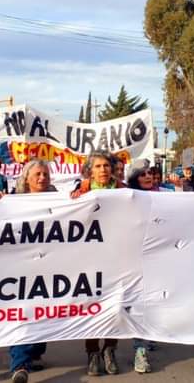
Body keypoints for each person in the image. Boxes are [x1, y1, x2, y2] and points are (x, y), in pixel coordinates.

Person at [0, 160, 55, 382]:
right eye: (37, 174)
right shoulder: (13, 201)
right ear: (26, 179)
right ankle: (19, 364)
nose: (42, 178)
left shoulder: (60, 200)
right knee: (20, 314)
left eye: (45, 174)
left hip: (49, 266)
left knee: (43, 313)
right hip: (20, 267)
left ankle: (35, 353)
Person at [70, 151, 123, 375]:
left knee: (114, 306)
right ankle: (92, 353)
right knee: (90, 305)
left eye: (106, 166)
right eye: (98, 166)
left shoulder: (123, 190)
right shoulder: (80, 191)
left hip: (117, 256)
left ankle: (110, 350)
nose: (103, 170)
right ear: (90, 170)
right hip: (89, 258)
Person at [125, 159, 157, 373]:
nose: (147, 176)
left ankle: (142, 347)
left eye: (150, 173)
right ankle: (137, 349)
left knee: (145, 306)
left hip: (154, 260)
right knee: (131, 306)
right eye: (142, 173)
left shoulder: (162, 195)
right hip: (127, 261)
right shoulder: (124, 197)